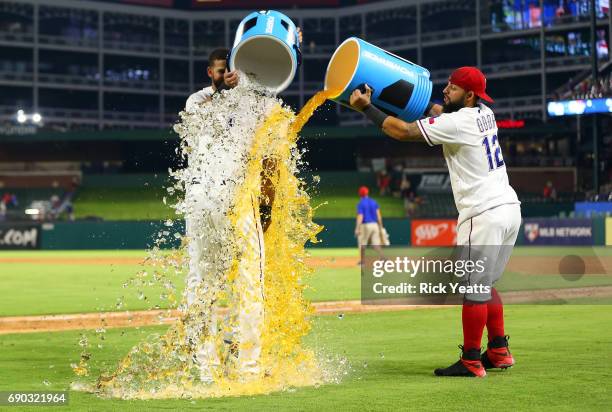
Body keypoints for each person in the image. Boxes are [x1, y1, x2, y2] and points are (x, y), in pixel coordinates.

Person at [350, 66, 521, 378]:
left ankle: (471, 361)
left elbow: (401, 132)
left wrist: (367, 108)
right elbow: (439, 110)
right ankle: (498, 351)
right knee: (486, 285)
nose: (446, 89)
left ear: (468, 95)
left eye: (453, 87)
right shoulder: (484, 113)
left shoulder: (458, 121)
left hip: (483, 213)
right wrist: (392, 91)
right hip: (509, 208)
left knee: (473, 289)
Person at [183, 30, 302, 384]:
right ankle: (235, 367)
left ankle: (222, 364)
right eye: (220, 71)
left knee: (210, 284)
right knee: (238, 282)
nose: (226, 76)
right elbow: (267, 162)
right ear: (212, 73)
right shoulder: (199, 100)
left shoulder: (257, 103)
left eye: (230, 70)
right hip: (218, 200)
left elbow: (269, 161)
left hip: (213, 200)